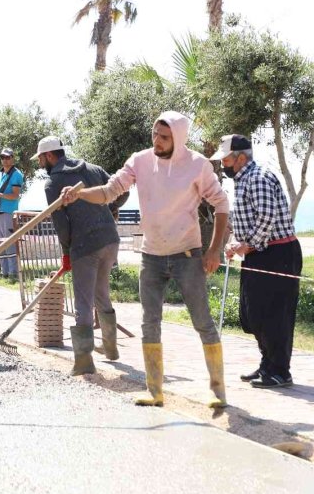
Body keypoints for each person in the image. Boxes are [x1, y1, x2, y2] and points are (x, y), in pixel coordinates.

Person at [63, 111, 230, 408]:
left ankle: (218, 390)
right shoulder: (139, 160)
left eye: (164, 137)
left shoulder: (198, 166)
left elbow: (221, 204)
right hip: (151, 256)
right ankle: (155, 391)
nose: (157, 141)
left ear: (178, 139)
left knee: (202, 321)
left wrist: (215, 248)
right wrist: (80, 195)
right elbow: (110, 191)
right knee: (149, 323)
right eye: (155, 134)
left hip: (187, 254)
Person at [213, 134, 302, 389]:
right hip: (258, 254)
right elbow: (244, 219)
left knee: (275, 314)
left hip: (277, 254)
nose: (223, 165)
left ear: (241, 157)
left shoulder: (259, 177)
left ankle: (280, 371)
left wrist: (247, 244)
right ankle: (267, 364)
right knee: (254, 314)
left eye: (226, 159)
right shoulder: (242, 180)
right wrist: (235, 243)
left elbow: (266, 218)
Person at [35, 136, 121, 375]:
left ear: (50, 155)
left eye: (41, 159)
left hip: (85, 245)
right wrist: (110, 210)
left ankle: (83, 361)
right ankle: (111, 349)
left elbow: (61, 223)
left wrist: (66, 252)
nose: (41, 163)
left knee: (83, 301)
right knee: (101, 292)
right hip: (110, 240)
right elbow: (120, 192)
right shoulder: (92, 169)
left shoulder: (53, 183)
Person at [0, 147, 24, 279]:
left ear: (13, 158)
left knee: (10, 243)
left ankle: (14, 273)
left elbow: (15, 195)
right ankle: (4, 272)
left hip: (9, 213)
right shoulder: (0, 173)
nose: (5, 160)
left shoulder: (17, 174)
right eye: (3, 157)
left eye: (8, 157)